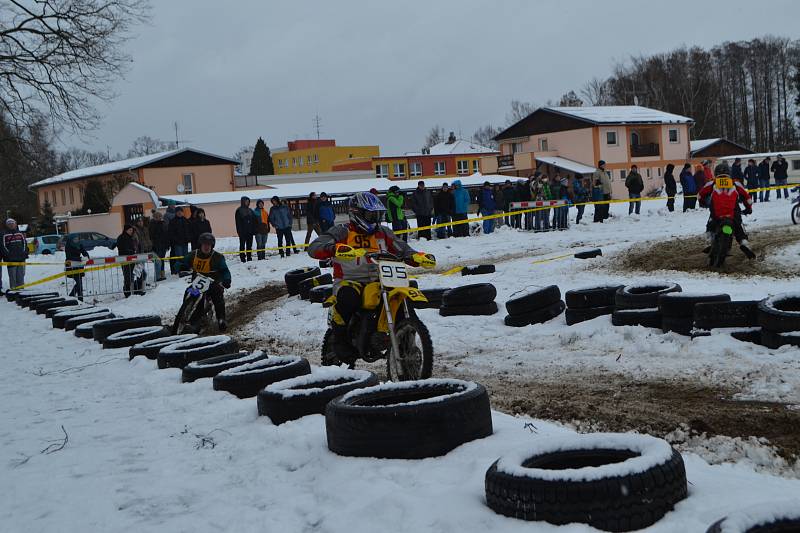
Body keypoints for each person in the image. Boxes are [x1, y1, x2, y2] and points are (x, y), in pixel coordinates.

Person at [307, 192, 435, 363]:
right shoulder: (342, 231)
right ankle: (340, 340)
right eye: (370, 215)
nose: (375, 219)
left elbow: (402, 248)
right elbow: (314, 247)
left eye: (377, 215)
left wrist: (417, 257)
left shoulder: (383, 233)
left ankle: (406, 342)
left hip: (381, 279)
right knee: (348, 297)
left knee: (404, 293)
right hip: (350, 280)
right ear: (357, 213)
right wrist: (334, 248)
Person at [176, 232, 231, 332]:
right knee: (188, 291)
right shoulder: (193, 254)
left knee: (218, 297)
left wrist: (227, 280)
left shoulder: (218, 257)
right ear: (200, 245)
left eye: (209, 245)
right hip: (197, 285)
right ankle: (184, 311)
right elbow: (180, 262)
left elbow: (225, 270)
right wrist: (180, 266)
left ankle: (221, 319)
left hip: (213, 284)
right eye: (204, 244)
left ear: (212, 246)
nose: (206, 247)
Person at [698, 175, 755, 259]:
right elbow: (747, 198)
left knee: (711, 223)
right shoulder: (735, 183)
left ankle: (709, 241)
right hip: (733, 213)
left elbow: (700, 195)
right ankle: (744, 243)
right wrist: (748, 209)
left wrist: (703, 203)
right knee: (739, 226)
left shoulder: (712, 183)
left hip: (716, 213)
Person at [1, 218, 28, 289]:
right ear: (7, 225)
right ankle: (13, 293)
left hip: (21, 259)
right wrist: (8, 255)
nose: (11, 225)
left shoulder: (20, 233)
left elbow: (24, 243)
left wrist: (24, 253)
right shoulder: (4, 234)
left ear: (15, 224)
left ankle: (22, 291)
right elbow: (2, 246)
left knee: (21, 276)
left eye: (12, 223)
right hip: (11, 260)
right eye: (9, 224)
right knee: (12, 277)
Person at [64, 233, 89, 300]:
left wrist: (86, 256)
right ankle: (78, 298)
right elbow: (69, 257)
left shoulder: (79, 244)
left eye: (77, 239)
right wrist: (80, 259)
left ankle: (76, 297)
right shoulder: (68, 246)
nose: (76, 240)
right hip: (71, 266)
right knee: (79, 283)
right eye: (75, 239)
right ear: (71, 239)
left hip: (79, 266)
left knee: (79, 282)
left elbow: (84, 251)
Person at [168, 206, 192, 274]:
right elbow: (171, 233)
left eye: (181, 212)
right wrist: (175, 240)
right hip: (177, 243)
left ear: (182, 212)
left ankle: (186, 269)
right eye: (178, 212)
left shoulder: (186, 220)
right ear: (175, 213)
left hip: (185, 242)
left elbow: (189, 230)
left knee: (185, 256)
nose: (179, 213)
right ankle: (179, 269)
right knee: (179, 257)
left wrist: (188, 238)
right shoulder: (172, 221)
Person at [116, 224, 138, 297]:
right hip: (124, 259)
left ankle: (132, 290)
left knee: (131, 275)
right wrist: (130, 252)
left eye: (132, 230)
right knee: (127, 276)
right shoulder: (121, 237)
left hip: (131, 258)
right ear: (126, 230)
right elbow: (122, 249)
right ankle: (127, 292)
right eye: (130, 230)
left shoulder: (130, 237)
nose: (131, 231)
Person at [235, 196, 256, 262]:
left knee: (249, 246)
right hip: (242, 232)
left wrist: (253, 230)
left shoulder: (250, 210)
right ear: (243, 202)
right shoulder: (239, 210)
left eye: (248, 201)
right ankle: (242, 258)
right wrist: (239, 231)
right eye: (246, 201)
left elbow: (253, 220)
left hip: (250, 231)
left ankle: (249, 257)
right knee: (242, 246)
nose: (247, 203)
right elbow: (238, 222)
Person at [148, 210, 168, 281]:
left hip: (163, 244)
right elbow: (151, 235)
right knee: (158, 261)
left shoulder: (164, 223)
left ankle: (162, 273)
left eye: (160, 216)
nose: (159, 218)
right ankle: (158, 275)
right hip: (156, 245)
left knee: (162, 260)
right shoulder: (152, 224)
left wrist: (167, 244)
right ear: (154, 217)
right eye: (157, 217)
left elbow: (166, 234)